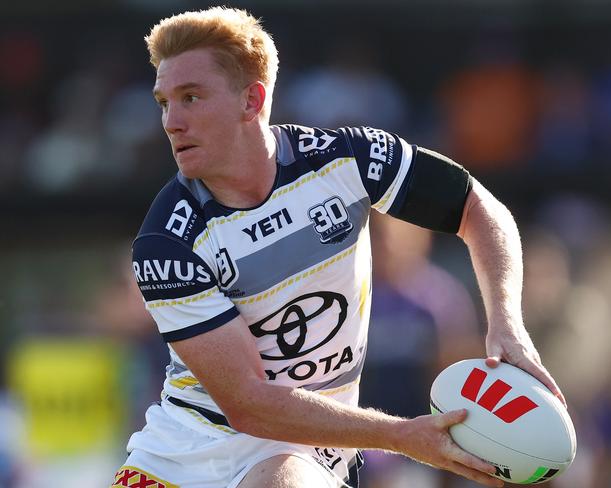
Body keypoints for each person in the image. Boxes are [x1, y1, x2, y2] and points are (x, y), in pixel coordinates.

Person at [112, 7, 565, 488]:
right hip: (179, 454)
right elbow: (249, 403)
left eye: (191, 97)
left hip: (303, 443)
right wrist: (403, 436)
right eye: (164, 102)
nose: (170, 121)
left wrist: (506, 323)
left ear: (252, 100)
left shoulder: (344, 160)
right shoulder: (166, 242)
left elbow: (478, 208)